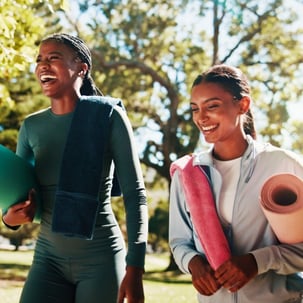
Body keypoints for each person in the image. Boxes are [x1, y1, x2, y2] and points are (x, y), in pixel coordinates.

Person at [2, 33, 148, 303]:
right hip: (47, 259)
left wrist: (136, 267)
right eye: (39, 60)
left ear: (82, 68)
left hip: (101, 259)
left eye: (53, 58)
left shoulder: (108, 117)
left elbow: (135, 194)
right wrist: (10, 218)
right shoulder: (31, 127)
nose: (43, 65)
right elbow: (16, 200)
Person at [169, 64, 303, 303]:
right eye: (194, 109)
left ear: (243, 105)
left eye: (212, 106)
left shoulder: (283, 164)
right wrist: (193, 262)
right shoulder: (187, 173)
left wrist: (257, 261)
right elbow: (179, 242)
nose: (201, 117)